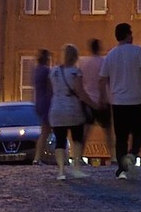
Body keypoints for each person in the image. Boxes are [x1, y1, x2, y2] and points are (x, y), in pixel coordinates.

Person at [99, 22, 141, 178]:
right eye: (130, 33)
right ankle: (132, 156)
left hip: (118, 103)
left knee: (121, 138)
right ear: (127, 35)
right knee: (140, 133)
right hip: (136, 101)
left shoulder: (110, 55)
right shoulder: (137, 51)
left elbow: (102, 79)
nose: (132, 36)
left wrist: (103, 98)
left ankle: (122, 170)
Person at [48, 46, 87, 179]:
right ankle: (76, 168)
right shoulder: (75, 72)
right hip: (72, 108)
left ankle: (61, 171)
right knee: (77, 139)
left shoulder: (54, 71)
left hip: (56, 108)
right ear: (75, 56)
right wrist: (92, 103)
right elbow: (80, 91)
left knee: (60, 140)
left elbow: (51, 89)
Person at [78, 36, 109, 162]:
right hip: (102, 100)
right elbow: (106, 81)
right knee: (108, 131)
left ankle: (79, 156)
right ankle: (114, 157)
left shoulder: (83, 62)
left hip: (88, 101)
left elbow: (80, 81)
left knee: (84, 132)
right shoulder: (104, 62)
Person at [31, 49, 53, 163]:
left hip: (39, 102)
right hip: (47, 104)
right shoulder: (46, 71)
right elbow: (51, 87)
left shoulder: (36, 70)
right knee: (45, 132)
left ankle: (40, 157)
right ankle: (38, 158)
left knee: (46, 132)